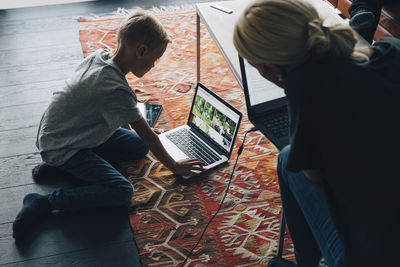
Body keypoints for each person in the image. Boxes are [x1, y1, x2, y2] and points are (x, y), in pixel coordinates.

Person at [233, 0, 400, 266]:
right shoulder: (392, 49)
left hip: (375, 255)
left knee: (289, 161)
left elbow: (312, 172)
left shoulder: (306, 87)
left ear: (270, 69)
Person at [13, 10, 205, 240]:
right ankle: (45, 202)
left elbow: (124, 121)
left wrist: (139, 130)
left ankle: (60, 166)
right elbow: (149, 137)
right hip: (64, 146)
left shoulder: (99, 56)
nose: (154, 65)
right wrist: (174, 165)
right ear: (141, 51)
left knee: (136, 146)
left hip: (60, 133)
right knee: (121, 191)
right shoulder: (116, 90)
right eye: (155, 58)